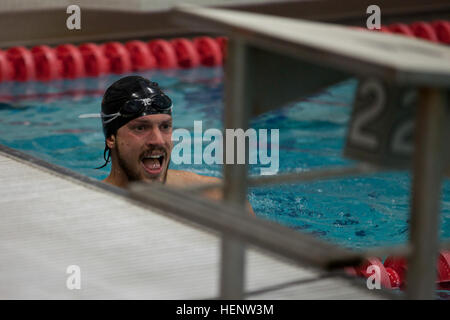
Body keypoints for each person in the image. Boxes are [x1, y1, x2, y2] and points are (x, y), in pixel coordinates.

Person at [98, 75, 254, 214]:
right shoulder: (95, 204)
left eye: (165, 127)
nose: (158, 140)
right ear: (111, 138)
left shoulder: (218, 197)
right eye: (140, 128)